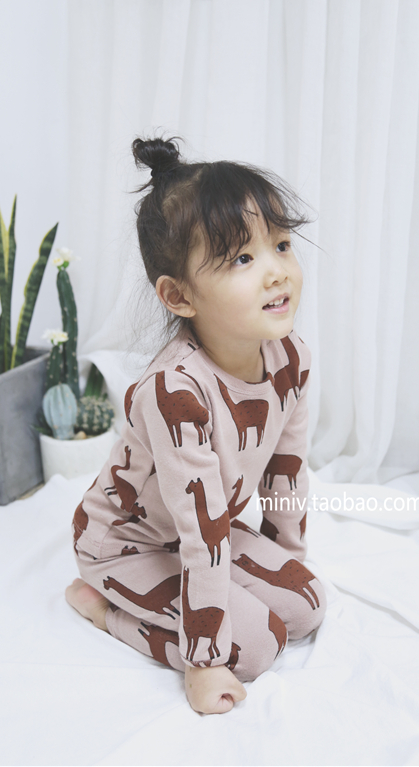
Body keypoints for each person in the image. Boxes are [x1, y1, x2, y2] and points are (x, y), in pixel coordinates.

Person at [65, 136, 327, 715]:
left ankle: (232, 606)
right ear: (179, 296)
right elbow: (201, 529)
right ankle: (104, 610)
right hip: (126, 544)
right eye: (242, 259)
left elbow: (286, 474)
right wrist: (204, 661)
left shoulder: (292, 359)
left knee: (306, 605)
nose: (277, 272)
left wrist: (286, 563)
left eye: (282, 245)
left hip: (206, 529)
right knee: (256, 646)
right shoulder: (176, 393)